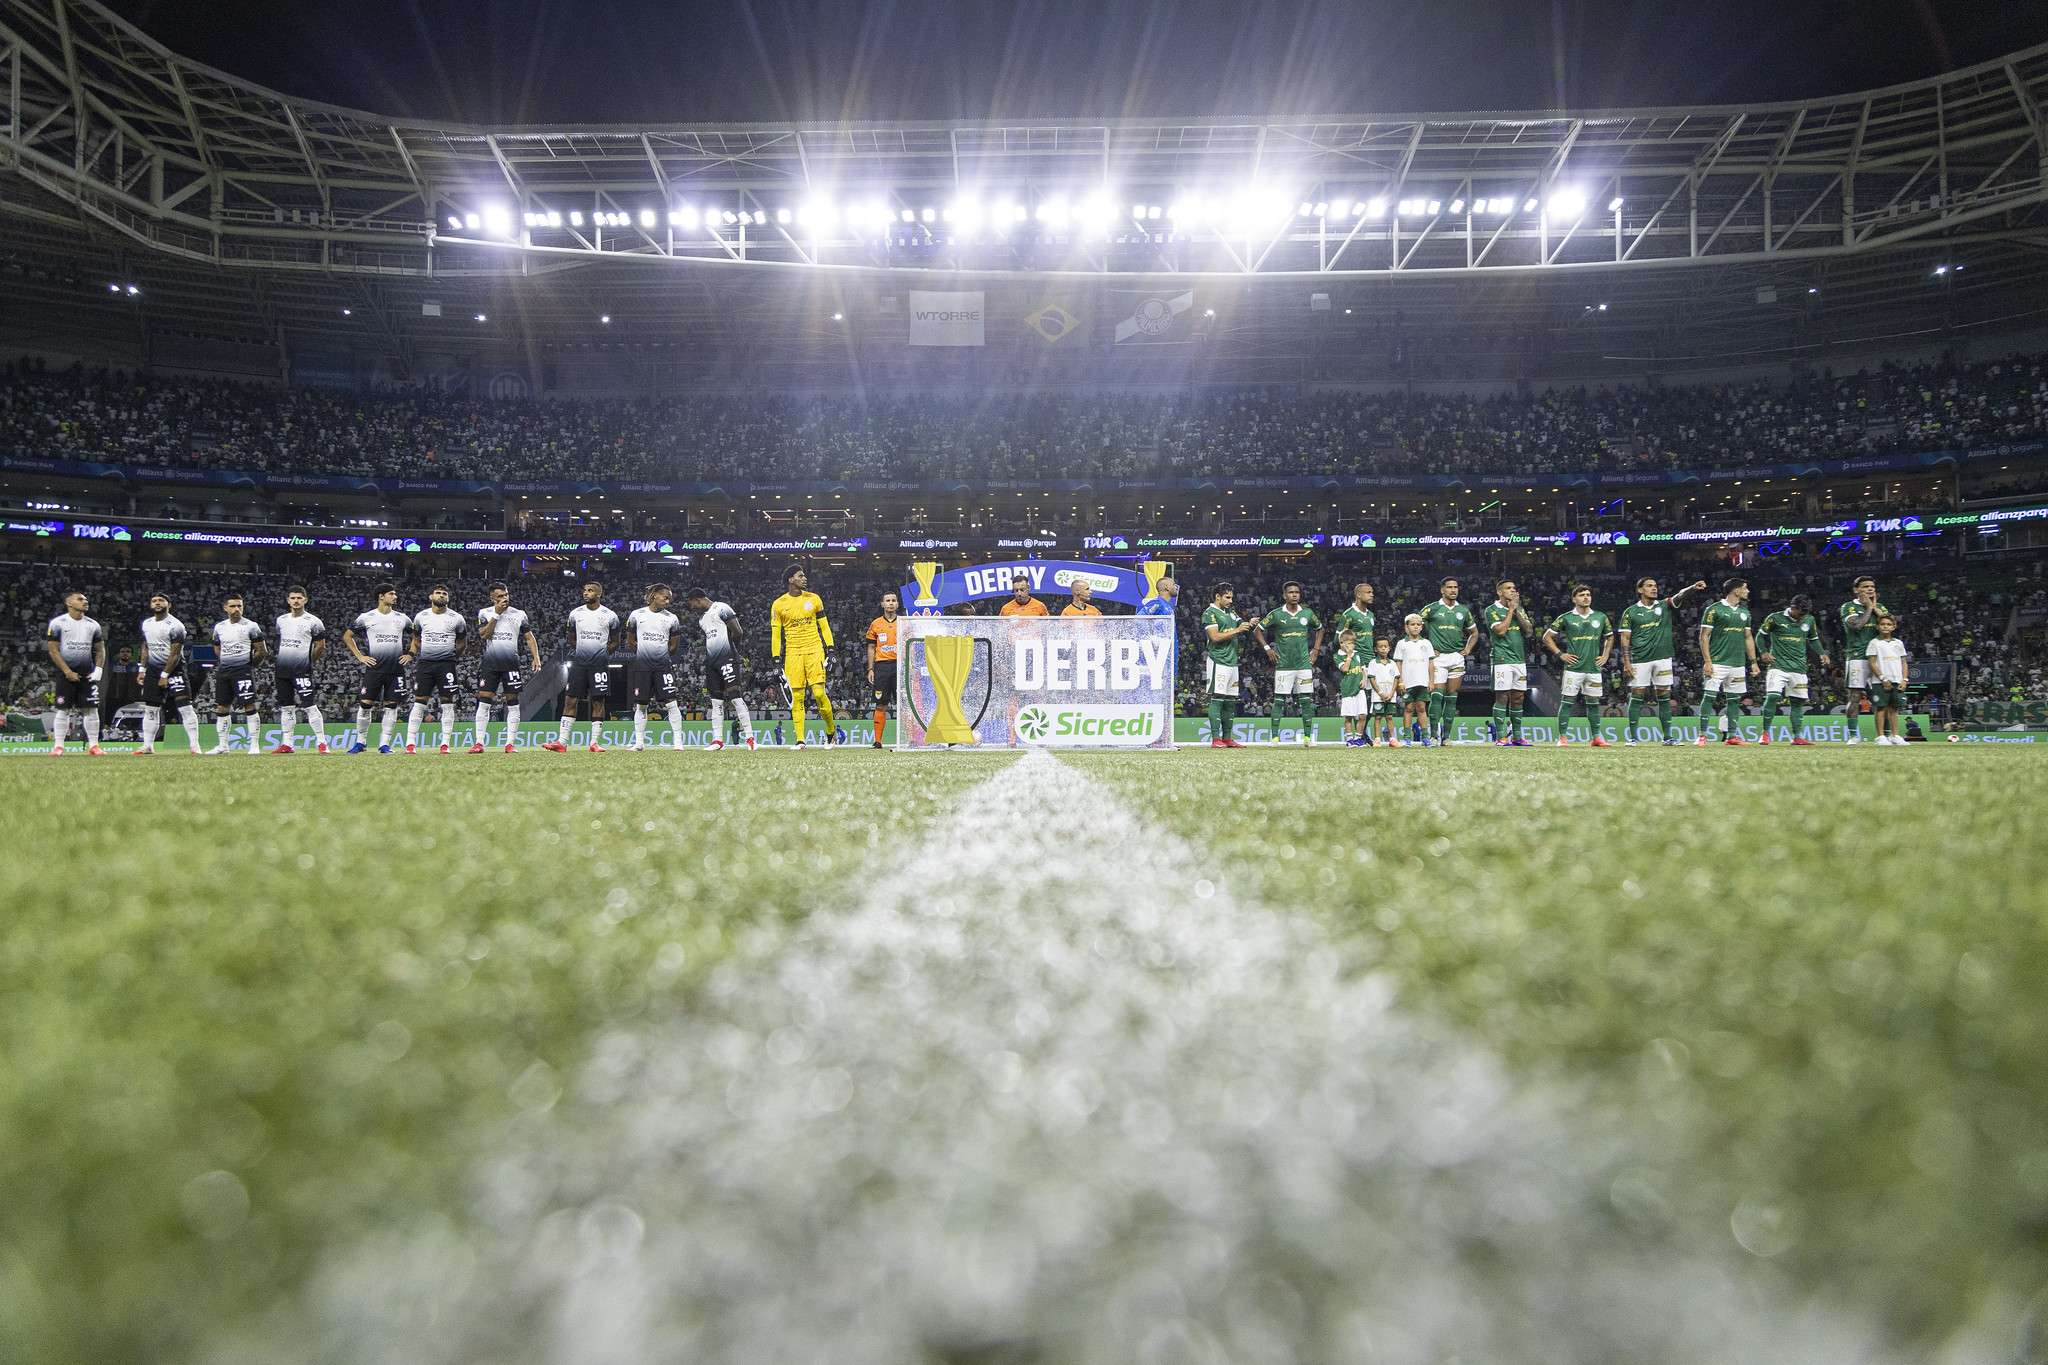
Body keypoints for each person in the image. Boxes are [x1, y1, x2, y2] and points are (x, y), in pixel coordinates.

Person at [1619, 577, 1709, 746]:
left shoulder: (1663, 605)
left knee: (1664, 698)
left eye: (1655, 586)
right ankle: (1632, 738)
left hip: (1663, 659)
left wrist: (1693, 587)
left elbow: (1679, 596)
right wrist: (1626, 662)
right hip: (1640, 660)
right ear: (1640, 590)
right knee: (1637, 696)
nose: (1654, 588)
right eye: (1649, 586)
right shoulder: (1630, 612)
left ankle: (1668, 737)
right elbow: (1625, 638)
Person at [770, 565, 837, 747]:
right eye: (801, 576)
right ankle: (800, 740)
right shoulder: (778, 604)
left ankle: (831, 731)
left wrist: (830, 650)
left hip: (814, 649)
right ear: (791, 580)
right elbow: (776, 635)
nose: (804, 578)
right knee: (797, 698)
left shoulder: (814, 599)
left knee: (818, 693)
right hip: (793, 653)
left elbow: (824, 626)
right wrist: (776, 661)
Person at [470, 581, 541, 754]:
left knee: (513, 703)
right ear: (492, 598)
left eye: (506, 595)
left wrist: (536, 657)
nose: (504, 598)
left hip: (511, 663)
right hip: (490, 664)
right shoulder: (484, 613)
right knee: (485, 701)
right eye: (500, 596)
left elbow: (529, 638)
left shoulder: (519, 614)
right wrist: (496, 614)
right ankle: (479, 743)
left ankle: (510, 744)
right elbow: (485, 635)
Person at [550, 580, 620, 753]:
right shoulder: (575, 613)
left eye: (590, 590)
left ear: (598, 594)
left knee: (598, 700)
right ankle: (562, 742)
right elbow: (571, 637)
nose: (586, 593)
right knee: (570, 699)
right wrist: (581, 651)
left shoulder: (610, 615)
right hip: (579, 664)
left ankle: (594, 743)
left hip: (599, 665)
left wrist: (602, 654)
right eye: (585, 590)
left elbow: (616, 641)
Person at [684, 587, 757, 751]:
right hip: (712, 663)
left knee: (735, 697)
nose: (693, 608)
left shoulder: (722, 608)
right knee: (716, 701)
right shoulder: (701, 620)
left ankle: (750, 738)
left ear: (698, 599)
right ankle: (717, 740)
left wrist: (732, 652)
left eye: (693, 604)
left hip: (727, 659)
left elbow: (738, 632)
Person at [1543, 584, 1614, 747]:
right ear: (1574, 599)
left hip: (1593, 668)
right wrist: (1560, 654)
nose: (1586, 597)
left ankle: (1597, 737)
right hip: (1573, 668)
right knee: (1567, 702)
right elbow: (1547, 637)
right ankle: (1562, 738)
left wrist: (1605, 655)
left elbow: (1609, 637)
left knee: (1594, 703)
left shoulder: (1600, 617)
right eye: (1582, 595)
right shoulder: (1566, 617)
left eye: (1588, 594)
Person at [1254, 580, 1324, 745]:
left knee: (1306, 700)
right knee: (1279, 700)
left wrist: (1315, 650)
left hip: (1304, 664)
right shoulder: (1276, 614)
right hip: (1284, 664)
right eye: (1291, 592)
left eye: (1297, 592)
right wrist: (1267, 649)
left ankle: (1308, 737)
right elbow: (1257, 630)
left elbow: (1320, 628)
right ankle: (1275, 738)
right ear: (1284, 595)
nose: (1294, 595)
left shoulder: (1307, 613)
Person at [345, 582, 411, 753]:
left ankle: (384, 744)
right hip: (375, 668)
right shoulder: (366, 617)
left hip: (396, 670)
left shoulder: (402, 618)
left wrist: (410, 653)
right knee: (365, 704)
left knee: (391, 706)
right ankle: (361, 742)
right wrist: (360, 656)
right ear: (381, 596)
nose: (395, 597)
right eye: (391, 594)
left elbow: (417, 636)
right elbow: (347, 636)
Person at [1756, 595, 1830, 746]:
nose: (1802, 616)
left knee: (1797, 703)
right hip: (1778, 666)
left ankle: (1797, 737)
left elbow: (1813, 639)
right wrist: (1763, 652)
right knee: (1773, 697)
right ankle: (1764, 734)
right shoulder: (1774, 618)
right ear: (1792, 607)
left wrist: (1822, 653)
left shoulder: (1809, 619)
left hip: (1799, 668)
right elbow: (1759, 636)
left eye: (1805, 613)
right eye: (1800, 612)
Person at [405, 584, 468, 755]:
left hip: (447, 665)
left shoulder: (457, 618)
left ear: (448, 598)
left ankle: (445, 744)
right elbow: (416, 639)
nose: (441, 595)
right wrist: (414, 652)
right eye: (438, 593)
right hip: (425, 664)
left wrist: (453, 656)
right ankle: (410, 744)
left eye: (444, 593)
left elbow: (462, 643)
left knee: (447, 703)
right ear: (430, 597)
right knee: (419, 703)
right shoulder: (420, 616)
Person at [1696, 577, 1759, 746]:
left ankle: (1731, 736)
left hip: (1737, 663)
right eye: (1745, 588)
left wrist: (1753, 662)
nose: (1747, 591)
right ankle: (1702, 735)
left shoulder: (1745, 612)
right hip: (1717, 662)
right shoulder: (1714, 609)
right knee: (1709, 697)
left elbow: (1748, 637)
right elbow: (1704, 636)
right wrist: (1707, 661)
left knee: (1734, 700)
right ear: (1736, 590)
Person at [137, 591, 202, 755]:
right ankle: (148, 746)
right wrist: (142, 670)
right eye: (154, 600)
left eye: (161, 600)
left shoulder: (176, 625)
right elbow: (145, 648)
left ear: (169, 605)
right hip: (152, 670)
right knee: (150, 708)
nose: (157, 603)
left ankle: (195, 746)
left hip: (175, 670)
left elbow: (175, 653)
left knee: (185, 707)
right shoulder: (147, 624)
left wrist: (165, 675)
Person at [623, 583, 686, 751]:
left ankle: (678, 743)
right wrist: (645, 653)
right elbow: (630, 641)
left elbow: (673, 646)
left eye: (670, 598)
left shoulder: (672, 618)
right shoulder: (637, 615)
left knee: (671, 703)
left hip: (663, 666)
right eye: (665, 597)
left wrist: (659, 655)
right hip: (642, 666)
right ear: (654, 596)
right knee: (641, 705)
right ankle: (639, 743)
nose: (668, 600)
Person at [1417, 577, 1478, 745]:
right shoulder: (1432, 609)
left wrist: (1468, 649)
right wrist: (1427, 647)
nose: (1453, 590)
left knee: (1452, 697)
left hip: (1456, 657)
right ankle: (1434, 735)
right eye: (1450, 587)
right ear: (1442, 590)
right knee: (1437, 696)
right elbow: (1413, 625)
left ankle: (1446, 737)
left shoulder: (1464, 610)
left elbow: (1474, 633)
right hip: (1438, 658)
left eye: (1456, 587)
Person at [44, 589, 105, 756]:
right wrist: (67, 671)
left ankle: (94, 746)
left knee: (91, 709)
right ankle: (58, 746)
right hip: (65, 673)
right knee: (63, 709)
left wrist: (98, 669)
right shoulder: (58, 623)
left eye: (85, 599)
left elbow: (100, 650)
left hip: (87, 672)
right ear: (69, 603)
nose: (85, 601)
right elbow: (53, 651)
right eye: (80, 599)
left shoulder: (93, 625)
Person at [271, 585, 329, 754]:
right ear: (288, 600)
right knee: (286, 707)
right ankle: (287, 744)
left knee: (309, 705)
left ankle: (322, 742)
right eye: (293, 598)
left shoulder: (314, 621)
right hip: (282, 670)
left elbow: (320, 646)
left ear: (305, 600)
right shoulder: (281, 620)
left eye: (299, 598)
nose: (296, 601)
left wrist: (308, 661)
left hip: (302, 670)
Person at [208, 593, 266, 755]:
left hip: (243, 671)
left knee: (249, 705)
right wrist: (226, 659)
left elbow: (261, 651)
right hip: (224, 671)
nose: (237, 609)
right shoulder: (219, 627)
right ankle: (223, 746)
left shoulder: (251, 626)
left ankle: (254, 745)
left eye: (239, 606)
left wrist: (248, 665)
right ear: (226, 608)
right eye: (233, 606)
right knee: (222, 707)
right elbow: (217, 647)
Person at [1483, 579, 1538, 746]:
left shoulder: (1519, 609)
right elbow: (1500, 631)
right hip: (1501, 659)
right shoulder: (1491, 610)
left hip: (1519, 659)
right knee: (1502, 696)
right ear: (1499, 592)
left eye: (1514, 588)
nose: (1513, 591)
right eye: (1508, 588)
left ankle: (1517, 736)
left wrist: (1516, 611)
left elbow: (1528, 631)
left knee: (1518, 698)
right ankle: (1501, 737)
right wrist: (1511, 610)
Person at [1200, 583, 1254, 748]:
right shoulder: (1210, 613)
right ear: (1218, 596)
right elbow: (1215, 637)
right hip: (1218, 660)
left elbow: (1242, 625)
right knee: (1217, 699)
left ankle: (1228, 738)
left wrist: (1250, 623)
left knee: (1230, 701)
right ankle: (1216, 739)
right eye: (1227, 597)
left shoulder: (1230, 612)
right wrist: (1238, 630)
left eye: (1231, 597)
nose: (1231, 600)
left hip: (1232, 662)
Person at [1839, 576, 1890, 745]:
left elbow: (1889, 625)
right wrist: (1869, 608)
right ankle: (1853, 735)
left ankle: (1884, 735)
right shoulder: (1848, 607)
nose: (1870, 589)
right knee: (1854, 697)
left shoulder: (1880, 607)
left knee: (1882, 697)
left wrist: (1874, 607)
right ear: (1856, 590)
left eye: (1872, 586)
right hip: (1857, 658)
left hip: (1878, 658)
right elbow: (1857, 625)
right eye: (1866, 586)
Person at [1866, 613, 1911, 745]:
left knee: (1894, 708)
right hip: (1880, 681)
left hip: (1897, 680)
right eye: (1883, 624)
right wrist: (1883, 678)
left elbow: (1904, 662)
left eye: (1889, 624)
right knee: (1880, 708)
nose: (1886, 627)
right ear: (1878, 626)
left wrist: (1905, 679)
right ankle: (1880, 736)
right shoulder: (1874, 643)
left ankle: (1895, 735)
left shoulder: (1898, 643)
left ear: (1894, 627)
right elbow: (1872, 663)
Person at [1391, 614, 1436, 745]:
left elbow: (1431, 664)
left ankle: (1426, 737)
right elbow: (1398, 664)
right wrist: (1400, 681)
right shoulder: (1401, 644)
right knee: (1409, 708)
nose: (1416, 627)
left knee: (1422, 708)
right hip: (1408, 682)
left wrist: (1431, 681)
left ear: (1422, 627)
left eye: (1418, 625)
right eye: (1412, 624)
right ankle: (1407, 738)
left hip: (1422, 681)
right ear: (1406, 627)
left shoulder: (1426, 643)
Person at [865, 591, 901, 749]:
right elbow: (871, 647)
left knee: (904, 704)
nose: (891, 603)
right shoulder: (876, 624)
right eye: (888, 600)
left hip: (900, 665)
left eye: (893, 600)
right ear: (882, 604)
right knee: (881, 705)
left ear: (897, 604)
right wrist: (870, 668)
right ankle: (878, 741)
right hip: (882, 667)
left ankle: (914, 739)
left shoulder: (905, 622)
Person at [1333, 627, 1368, 746]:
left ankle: (1358, 739)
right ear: (1341, 643)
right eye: (1349, 643)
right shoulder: (1337, 655)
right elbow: (1344, 669)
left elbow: (1363, 668)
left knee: (1363, 715)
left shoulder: (1358, 655)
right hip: (1348, 689)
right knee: (1349, 717)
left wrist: (1364, 679)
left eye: (1353, 643)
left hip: (1359, 689)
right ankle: (1349, 740)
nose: (1351, 645)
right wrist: (1348, 656)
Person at [1366, 637, 1402, 746]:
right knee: (1378, 717)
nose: (1383, 649)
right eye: (1380, 647)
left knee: (1389, 717)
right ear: (1376, 649)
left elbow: (1396, 678)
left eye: (1385, 646)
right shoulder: (1373, 663)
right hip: (1378, 694)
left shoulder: (1392, 663)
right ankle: (1377, 739)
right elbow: (1372, 679)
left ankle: (1392, 739)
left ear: (1389, 648)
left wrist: (1391, 693)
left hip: (1391, 694)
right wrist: (1380, 693)